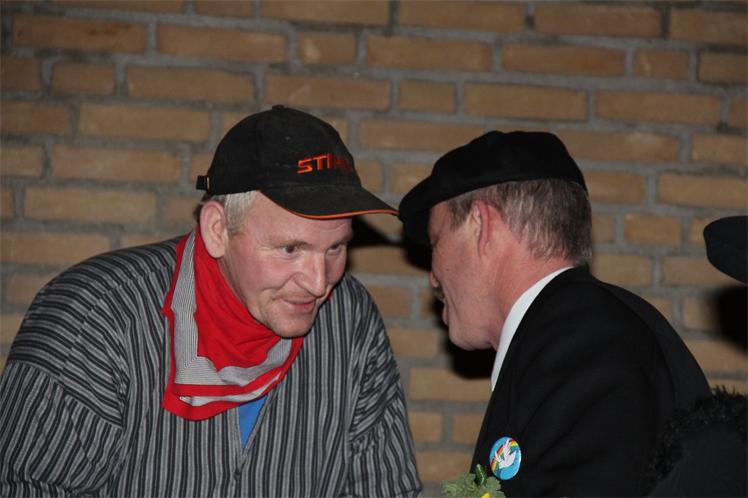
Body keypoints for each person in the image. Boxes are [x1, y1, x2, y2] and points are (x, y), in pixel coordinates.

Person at [0, 106, 422, 497]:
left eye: (335, 249)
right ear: (218, 230)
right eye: (290, 249)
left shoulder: (350, 320)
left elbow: (385, 490)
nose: (318, 283)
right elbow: (31, 487)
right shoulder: (96, 315)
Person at [398, 131, 711, 497]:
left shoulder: (586, 343)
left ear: (480, 225)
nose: (433, 277)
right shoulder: (575, 334)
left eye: (436, 242)